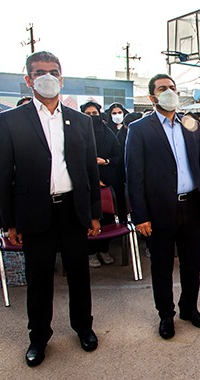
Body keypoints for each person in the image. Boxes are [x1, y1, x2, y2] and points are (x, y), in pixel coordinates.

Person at [0, 51, 102, 367]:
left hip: (72, 209)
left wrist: (94, 213)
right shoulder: (12, 120)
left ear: (62, 78)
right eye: (40, 73)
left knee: (79, 273)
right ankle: (38, 336)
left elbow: (90, 171)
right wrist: (9, 221)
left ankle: (83, 327)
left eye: (53, 71)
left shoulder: (80, 121)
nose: (47, 77)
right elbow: (1, 174)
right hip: (34, 212)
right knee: (39, 279)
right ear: (28, 80)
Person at [126, 73, 200, 340]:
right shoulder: (140, 129)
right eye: (162, 88)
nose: (169, 92)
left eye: (172, 87)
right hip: (159, 210)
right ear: (152, 97)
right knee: (162, 266)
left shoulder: (191, 125)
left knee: (192, 264)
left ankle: (189, 308)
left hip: (192, 206)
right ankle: (166, 314)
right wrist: (140, 215)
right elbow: (134, 176)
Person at [80, 100, 122, 268]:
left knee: (107, 218)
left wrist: (106, 161)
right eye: (87, 114)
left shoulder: (108, 134)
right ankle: (91, 252)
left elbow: (118, 156)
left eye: (95, 113)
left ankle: (104, 249)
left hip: (107, 182)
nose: (92, 117)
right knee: (89, 218)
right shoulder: (77, 133)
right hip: (86, 183)